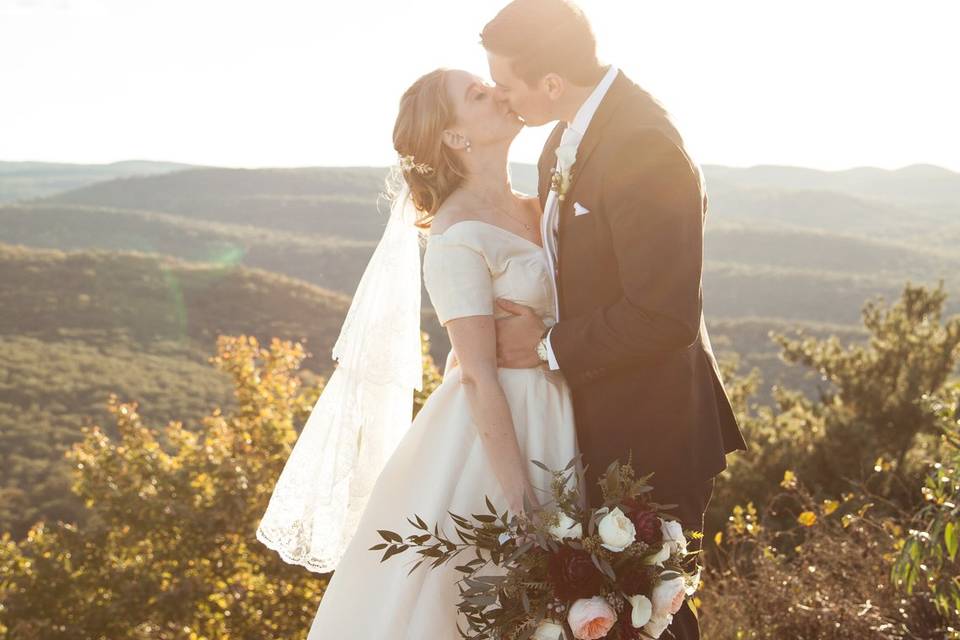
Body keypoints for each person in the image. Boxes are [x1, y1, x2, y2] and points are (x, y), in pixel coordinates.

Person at [256, 67, 581, 638]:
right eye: (478, 95)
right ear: (456, 137)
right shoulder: (456, 235)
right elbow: (478, 377)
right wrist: (523, 507)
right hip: (501, 439)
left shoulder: (541, 207)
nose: (500, 93)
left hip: (571, 409)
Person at [481, 1, 748, 638]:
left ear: (550, 83)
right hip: (590, 421)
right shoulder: (560, 139)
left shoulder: (643, 143)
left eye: (505, 81)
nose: (499, 94)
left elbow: (665, 314)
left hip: (652, 426)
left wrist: (545, 346)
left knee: (652, 616)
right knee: (601, 615)